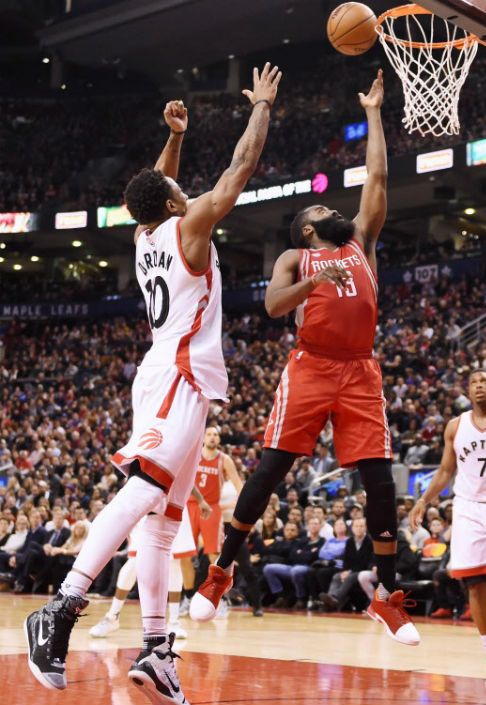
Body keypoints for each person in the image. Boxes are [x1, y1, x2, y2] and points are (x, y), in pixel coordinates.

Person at [24, 63, 280, 703]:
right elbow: (238, 172)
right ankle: (61, 607)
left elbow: (153, 190)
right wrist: (262, 108)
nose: (183, 190)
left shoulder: (146, 232)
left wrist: (174, 140)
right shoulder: (188, 227)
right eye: (176, 187)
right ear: (174, 204)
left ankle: (157, 650)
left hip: (171, 373)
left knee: (164, 524)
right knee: (146, 490)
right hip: (179, 374)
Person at [191, 70, 418, 647]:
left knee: (381, 484)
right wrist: (319, 285)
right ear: (307, 229)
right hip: (312, 365)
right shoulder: (297, 256)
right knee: (269, 470)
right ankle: (220, 574)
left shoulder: (361, 241)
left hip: (362, 369)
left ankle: (387, 599)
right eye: (320, 209)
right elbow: (271, 306)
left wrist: (372, 112)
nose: (331, 210)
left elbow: (379, 175)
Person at [410, 369, 486, 686]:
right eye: (473, 383)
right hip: (467, 509)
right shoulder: (455, 426)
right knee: (475, 586)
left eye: (484, 382)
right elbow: (444, 470)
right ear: (468, 391)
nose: (479, 386)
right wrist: (423, 500)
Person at [90, 503, 201, 639]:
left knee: (174, 562)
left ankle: (173, 622)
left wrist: (200, 500)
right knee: (133, 562)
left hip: (175, 501)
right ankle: (113, 616)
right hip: (150, 500)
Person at [182, 427, 243, 609]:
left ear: (219, 439)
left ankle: (220, 600)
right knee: (184, 554)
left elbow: (238, 484)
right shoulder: (193, 455)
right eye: (209, 434)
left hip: (212, 509)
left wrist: (247, 508)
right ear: (203, 438)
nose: (212, 437)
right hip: (190, 506)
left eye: (216, 434)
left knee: (214, 556)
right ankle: (188, 597)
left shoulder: (224, 460)